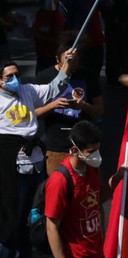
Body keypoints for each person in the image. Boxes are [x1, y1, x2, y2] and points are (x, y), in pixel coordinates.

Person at [0, 60, 70, 258]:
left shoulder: (27, 90)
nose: (15, 79)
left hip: (36, 166)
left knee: (33, 217)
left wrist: (66, 66)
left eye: (17, 74)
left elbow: (53, 88)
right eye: (8, 77)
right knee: (13, 219)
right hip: (13, 169)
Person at [36, 40, 104, 175]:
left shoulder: (88, 76)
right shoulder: (43, 77)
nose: (71, 67)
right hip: (56, 147)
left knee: (88, 189)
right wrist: (52, 106)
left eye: (75, 62)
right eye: (67, 62)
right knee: (58, 189)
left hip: (85, 147)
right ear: (57, 59)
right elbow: (33, 115)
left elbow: (99, 111)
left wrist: (82, 105)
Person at [44, 120, 106, 258]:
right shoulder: (60, 180)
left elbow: (98, 199)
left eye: (97, 150)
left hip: (97, 254)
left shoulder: (93, 168)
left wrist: (117, 179)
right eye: (91, 152)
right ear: (74, 151)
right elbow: (52, 227)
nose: (96, 156)